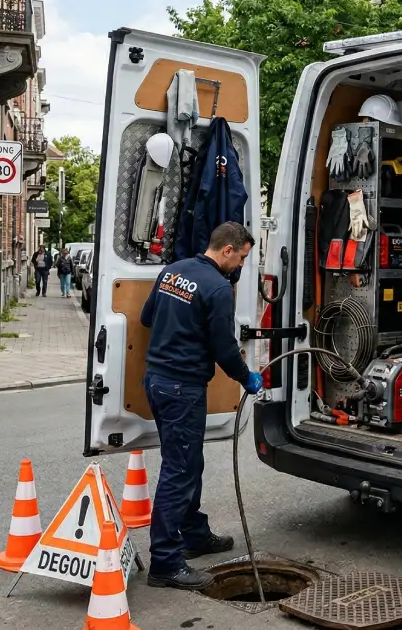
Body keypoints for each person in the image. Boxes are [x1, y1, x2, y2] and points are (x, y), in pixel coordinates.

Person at [140, 222, 263, 591]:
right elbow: (225, 348)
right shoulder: (218, 288)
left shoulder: (172, 272)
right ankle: (165, 562)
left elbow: (147, 318)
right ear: (228, 250)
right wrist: (246, 377)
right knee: (179, 471)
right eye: (241, 257)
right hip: (182, 388)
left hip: (157, 382)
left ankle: (193, 534)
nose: (240, 264)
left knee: (189, 462)